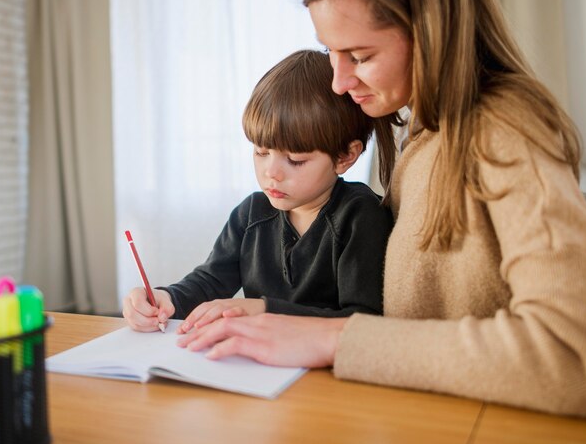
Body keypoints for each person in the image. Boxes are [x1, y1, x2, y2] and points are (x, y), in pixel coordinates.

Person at [176, 0, 586, 420]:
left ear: (432, 29)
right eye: (330, 52)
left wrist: (333, 337)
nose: (339, 82)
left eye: (360, 57)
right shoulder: (426, 135)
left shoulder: (503, 132)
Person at [123, 49, 393, 334]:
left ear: (345, 157)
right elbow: (211, 281)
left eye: (296, 160)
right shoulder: (251, 213)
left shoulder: (361, 216)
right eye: (261, 152)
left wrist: (265, 310)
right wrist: (166, 298)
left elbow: (362, 320)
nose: (271, 172)